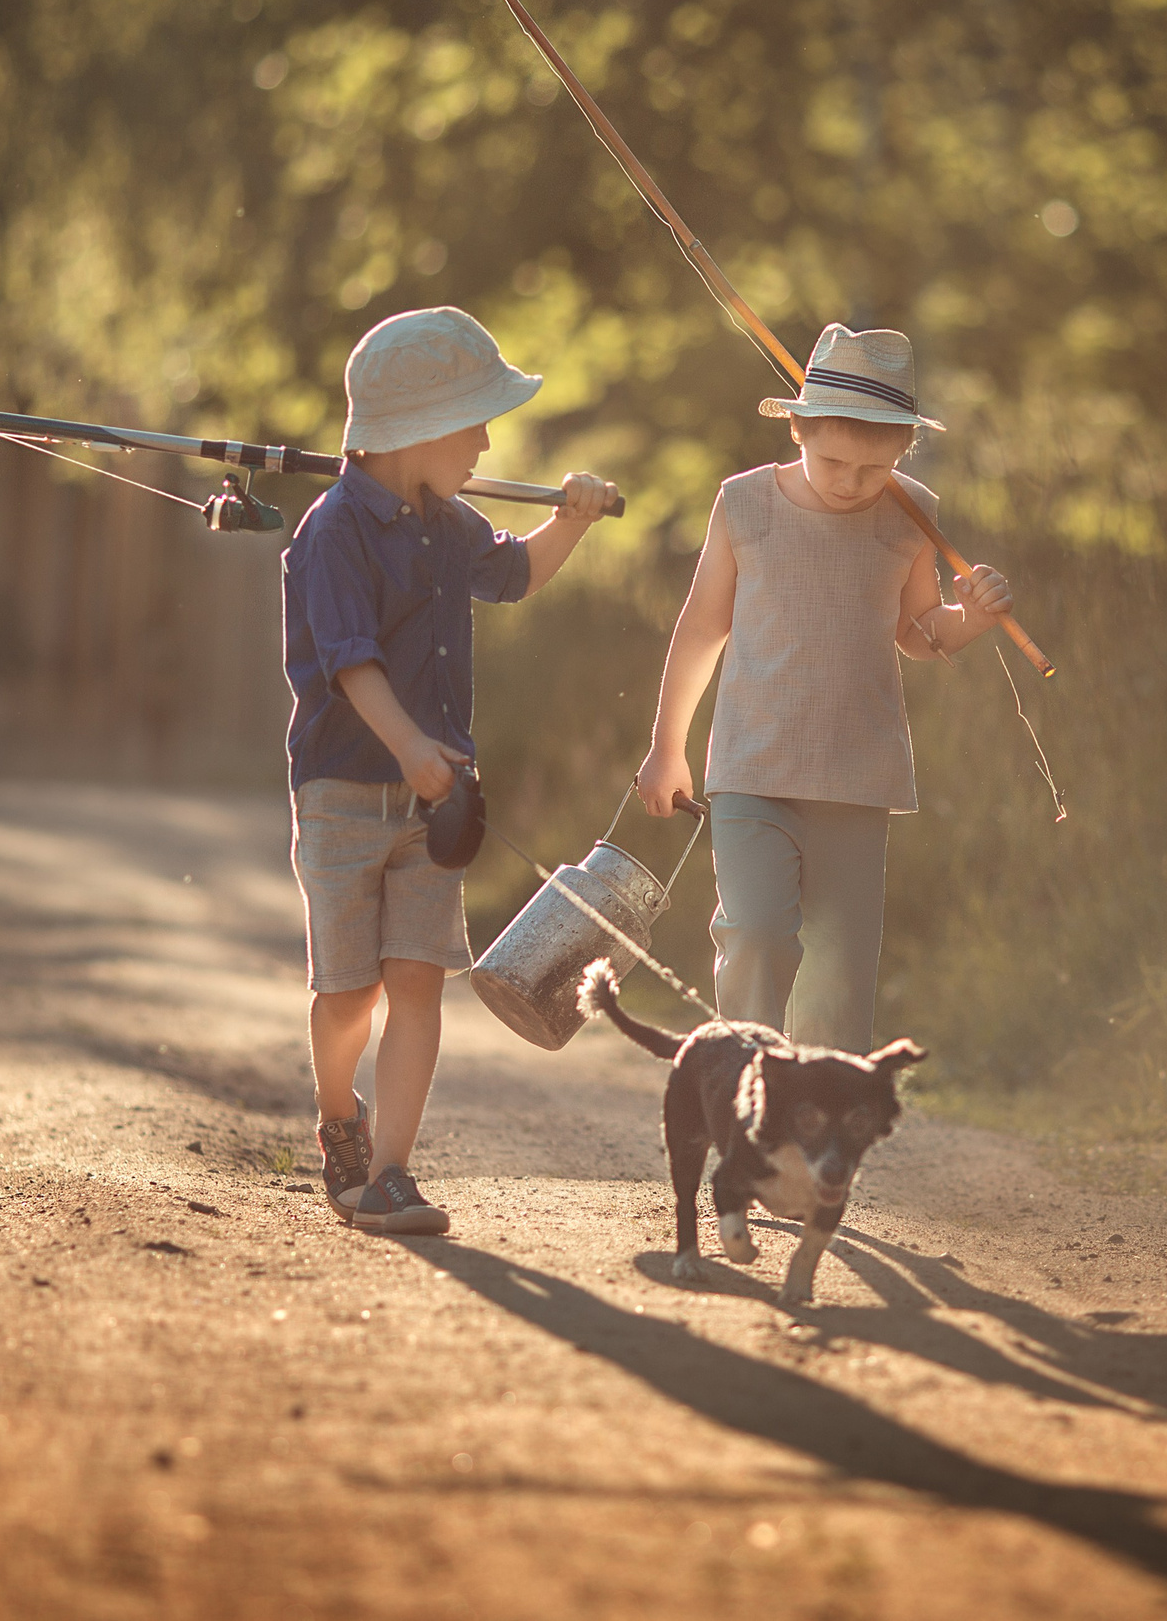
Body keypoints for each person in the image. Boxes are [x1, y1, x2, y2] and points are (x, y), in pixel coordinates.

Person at [284, 306, 616, 1235]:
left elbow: (513, 575)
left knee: (420, 977)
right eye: (471, 422)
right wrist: (411, 750)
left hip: (437, 800)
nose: (484, 442)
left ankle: (391, 1171)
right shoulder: (334, 530)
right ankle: (339, 1120)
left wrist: (571, 522)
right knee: (350, 990)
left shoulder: (451, 521)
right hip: (346, 790)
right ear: (415, 430)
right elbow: (351, 665)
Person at [632, 324, 1013, 1053]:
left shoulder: (910, 511)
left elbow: (919, 630)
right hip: (752, 768)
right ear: (798, 428)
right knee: (755, 934)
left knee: (840, 973)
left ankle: (818, 1145)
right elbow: (700, 629)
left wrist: (974, 618)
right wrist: (666, 748)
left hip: (858, 776)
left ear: (903, 450)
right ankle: (745, 1102)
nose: (849, 481)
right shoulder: (745, 505)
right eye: (832, 459)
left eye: (872, 468)